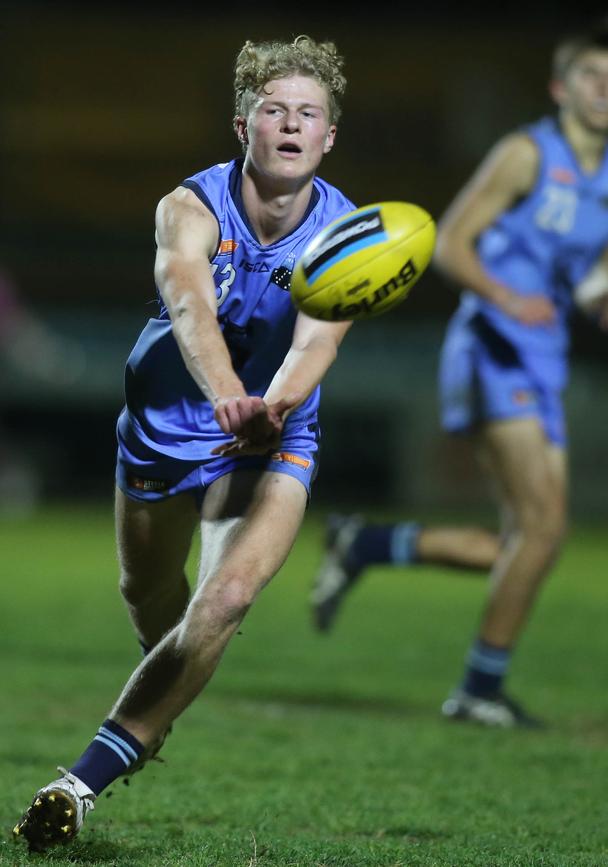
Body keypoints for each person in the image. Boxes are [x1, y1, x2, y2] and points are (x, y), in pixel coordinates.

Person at [14, 34, 357, 852]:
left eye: (308, 113)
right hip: (168, 429)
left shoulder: (350, 231)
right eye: (273, 109)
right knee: (151, 597)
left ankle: (77, 783)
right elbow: (189, 309)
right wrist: (227, 396)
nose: (290, 124)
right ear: (243, 125)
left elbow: (318, 342)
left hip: (275, 430)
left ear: (329, 136)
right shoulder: (188, 207)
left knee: (229, 597)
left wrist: (271, 404)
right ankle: (161, 688)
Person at [311, 15, 608, 728]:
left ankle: (365, 543)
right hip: (493, 343)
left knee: (524, 541)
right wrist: (504, 295)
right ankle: (479, 690)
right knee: (545, 530)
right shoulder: (525, 154)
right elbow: (448, 242)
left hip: (544, 355)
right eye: (590, 74)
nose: (603, 87)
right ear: (561, 86)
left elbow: (591, 274)